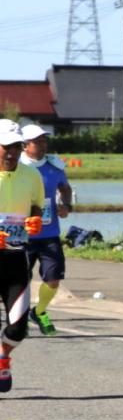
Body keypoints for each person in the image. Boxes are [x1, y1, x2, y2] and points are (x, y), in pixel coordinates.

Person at [0, 121, 43, 393]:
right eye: (7, 146)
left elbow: (37, 206)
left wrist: (36, 219)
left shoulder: (31, 175)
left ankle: (2, 355)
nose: (12, 152)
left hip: (15, 260)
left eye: (17, 146)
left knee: (18, 327)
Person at [19, 124, 72, 336]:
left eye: (44, 141)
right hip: (21, 235)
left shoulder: (54, 166)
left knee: (53, 279)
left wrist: (66, 206)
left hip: (49, 233)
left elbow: (65, 188)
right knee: (20, 281)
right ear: (24, 145)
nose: (42, 145)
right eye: (36, 142)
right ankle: (18, 320)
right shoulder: (15, 167)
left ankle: (39, 312)